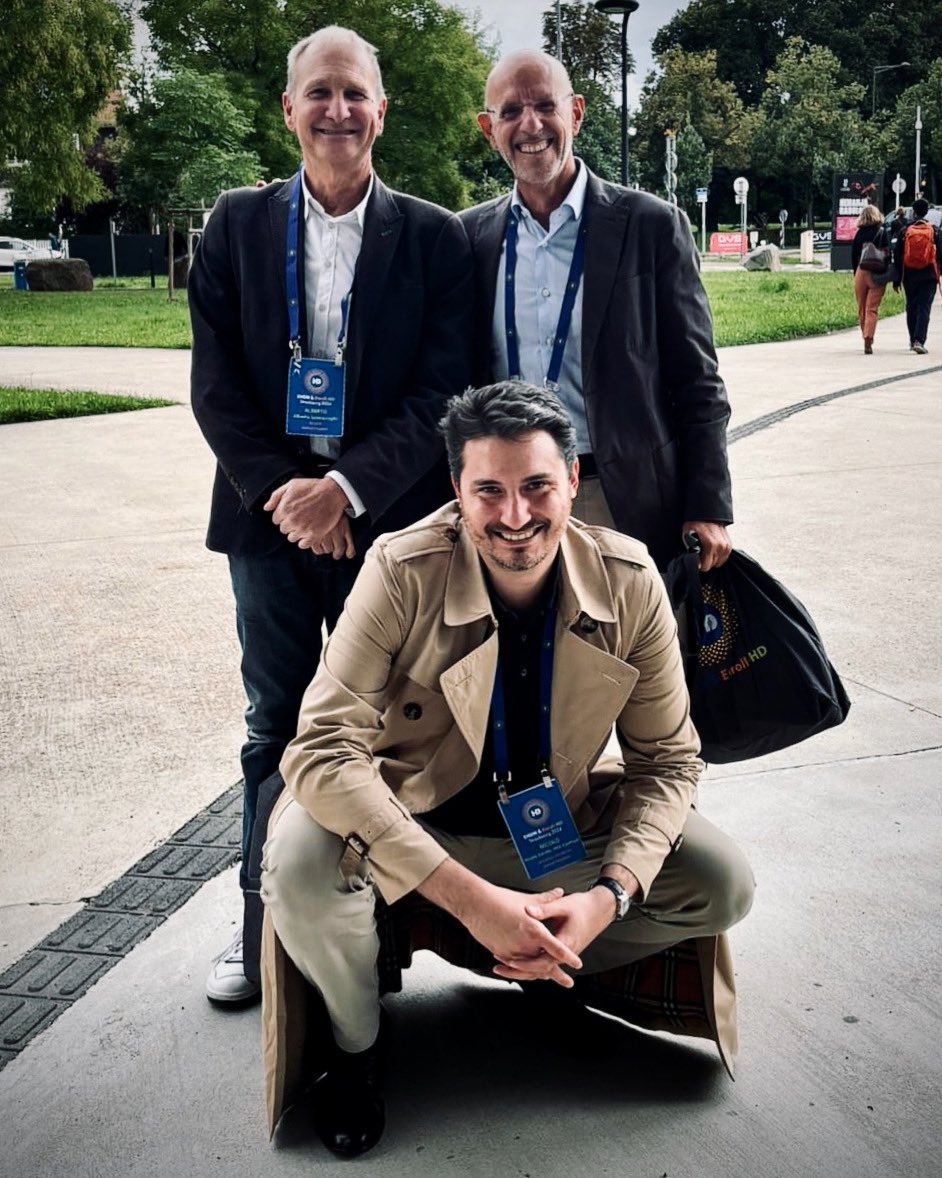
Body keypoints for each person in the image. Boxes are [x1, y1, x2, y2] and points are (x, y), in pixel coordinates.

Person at [261, 381, 755, 1157]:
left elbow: (666, 762)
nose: (515, 515)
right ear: (456, 489)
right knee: (296, 863)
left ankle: (552, 967)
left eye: (537, 487)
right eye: (488, 490)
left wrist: (607, 900)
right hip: (413, 828)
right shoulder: (400, 567)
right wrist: (468, 899)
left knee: (720, 880)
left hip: (554, 838)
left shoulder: (630, 579)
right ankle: (357, 1048)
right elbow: (322, 747)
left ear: (574, 480)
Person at [189, 25, 472, 1004]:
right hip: (265, 524)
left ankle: (371, 932)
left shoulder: (433, 237)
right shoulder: (234, 224)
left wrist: (344, 490)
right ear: (289, 110)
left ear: (380, 111)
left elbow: (442, 390)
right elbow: (215, 387)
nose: (337, 110)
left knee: (381, 729)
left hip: (382, 527)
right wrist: (291, 494)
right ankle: (259, 928)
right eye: (319, 92)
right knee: (275, 722)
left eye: (355, 93)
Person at [459, 51, 733, 573]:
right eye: (511, 111)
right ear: (488, 129)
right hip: (508, 503)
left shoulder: (651, 226)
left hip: (622, 495)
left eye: (546, 106)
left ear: (577, 113)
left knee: (630, 628)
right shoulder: (469, 237)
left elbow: (697, 378)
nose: (530, 125)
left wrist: (708, 503)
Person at [893, 197, 942, 354]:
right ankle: (919, 340)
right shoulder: (934, 231)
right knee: (924, 307)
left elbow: (897, 255)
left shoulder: (905, 231)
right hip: (929, 275)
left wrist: (896, 279)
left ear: (913, 212)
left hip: (909, 274)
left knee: (911, 306)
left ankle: (912, 338)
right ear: (927, 212)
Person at [851, 203, 889, 354]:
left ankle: (865, 337)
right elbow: (888, 253)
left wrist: (855, 273)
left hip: (861, 271)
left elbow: (854, 255)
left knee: (862, 308)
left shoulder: (859, 234)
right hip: (877, 273)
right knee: (872, 308)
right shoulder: (882, 232)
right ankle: (869, 337)